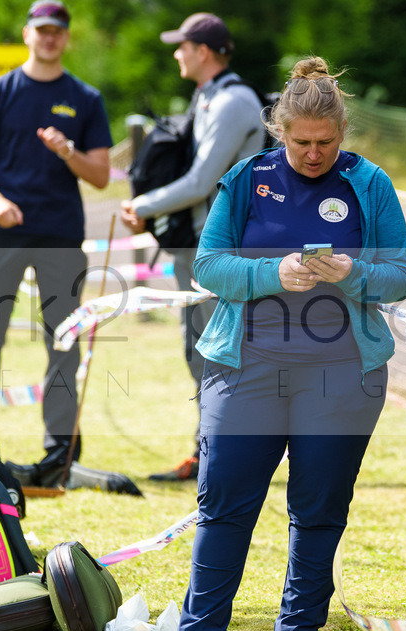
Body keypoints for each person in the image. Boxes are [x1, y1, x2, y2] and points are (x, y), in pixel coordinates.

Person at [137, 57, 406, 631]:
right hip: (246, 367)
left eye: (326, 144)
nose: (313, 154)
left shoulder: (368, 184)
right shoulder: (245, 178)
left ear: (342, 135)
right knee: (223, 506)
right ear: (278, 132)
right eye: (300, 143)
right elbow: (208, 265)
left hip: (341, 374)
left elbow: (401, 276)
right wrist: (271, 275)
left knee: (318, 510)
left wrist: (353, 274)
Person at [0, 0, 112, 484]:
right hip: (4, 232)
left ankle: (58, 457)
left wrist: (69, 152)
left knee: (63, 342)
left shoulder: (85, 99)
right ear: (27, 33)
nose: (49, 37)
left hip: (62, 235)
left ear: (66, 38)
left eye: (57, 31)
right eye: (41, 29)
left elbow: (103, 175)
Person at [119, 13, 265, 482]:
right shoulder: (207, 96)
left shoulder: (233, 101)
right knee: (197, 349)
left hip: (225, 250)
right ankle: (209, 449)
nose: (176, 53)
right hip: (198, 245)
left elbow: (203, 181)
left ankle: (221, 454)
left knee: (219, 351)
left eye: (182, 46)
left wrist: (143, 202)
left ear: (203, 50)